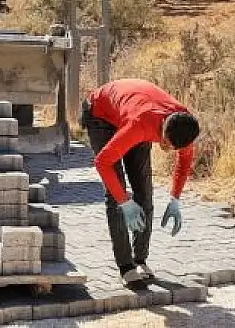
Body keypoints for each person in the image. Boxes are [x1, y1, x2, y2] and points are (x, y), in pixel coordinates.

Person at [81, 78, 201, 285]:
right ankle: (126, 267)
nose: (168, 149)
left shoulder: (184, 125)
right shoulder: (140, 125)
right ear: (163, 131)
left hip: (134, 110)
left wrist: (175, 199)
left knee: (144, 192)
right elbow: (102, 163)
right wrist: (125, 202)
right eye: (167, 144)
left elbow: (183, 163)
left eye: (174, 148)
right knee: (116, 193)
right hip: (101, 115)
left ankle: (140, 260)